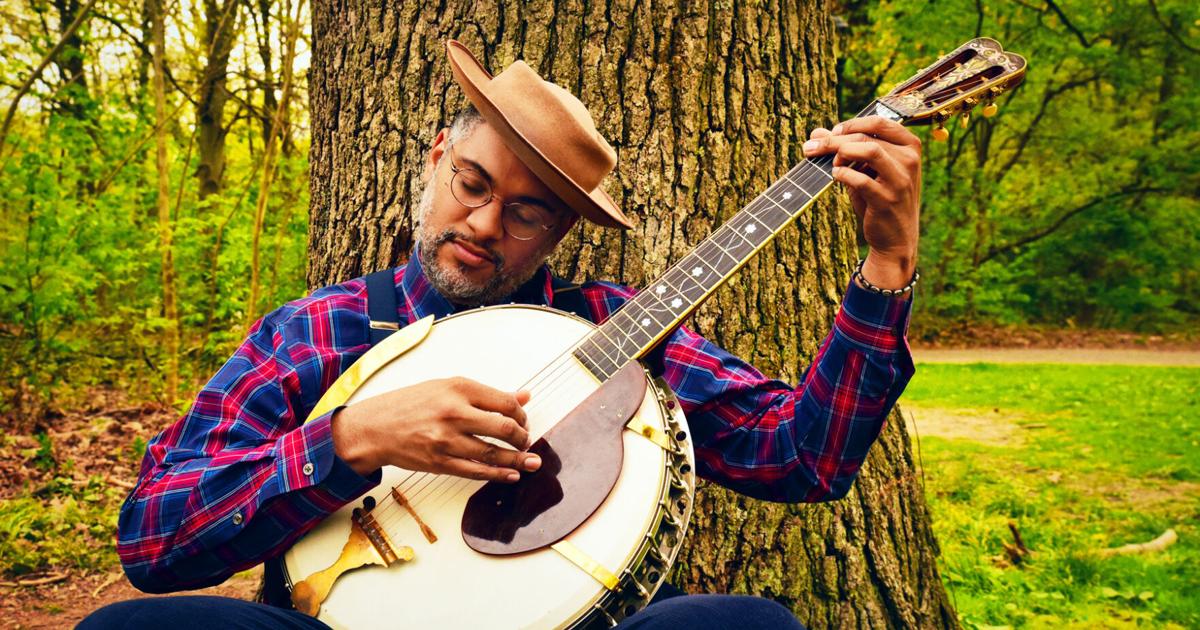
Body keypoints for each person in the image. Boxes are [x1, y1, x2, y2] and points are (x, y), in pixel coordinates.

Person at [81, 40, 922, 629]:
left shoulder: (615, 330)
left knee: (744, 626)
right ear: (439, 152)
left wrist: (887, 262)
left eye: (526, 212)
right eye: (471, 182)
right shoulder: (318, 331)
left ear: (559, 231)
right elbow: (154, 539)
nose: (483, 224)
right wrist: (351, 438)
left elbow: (802, 458)